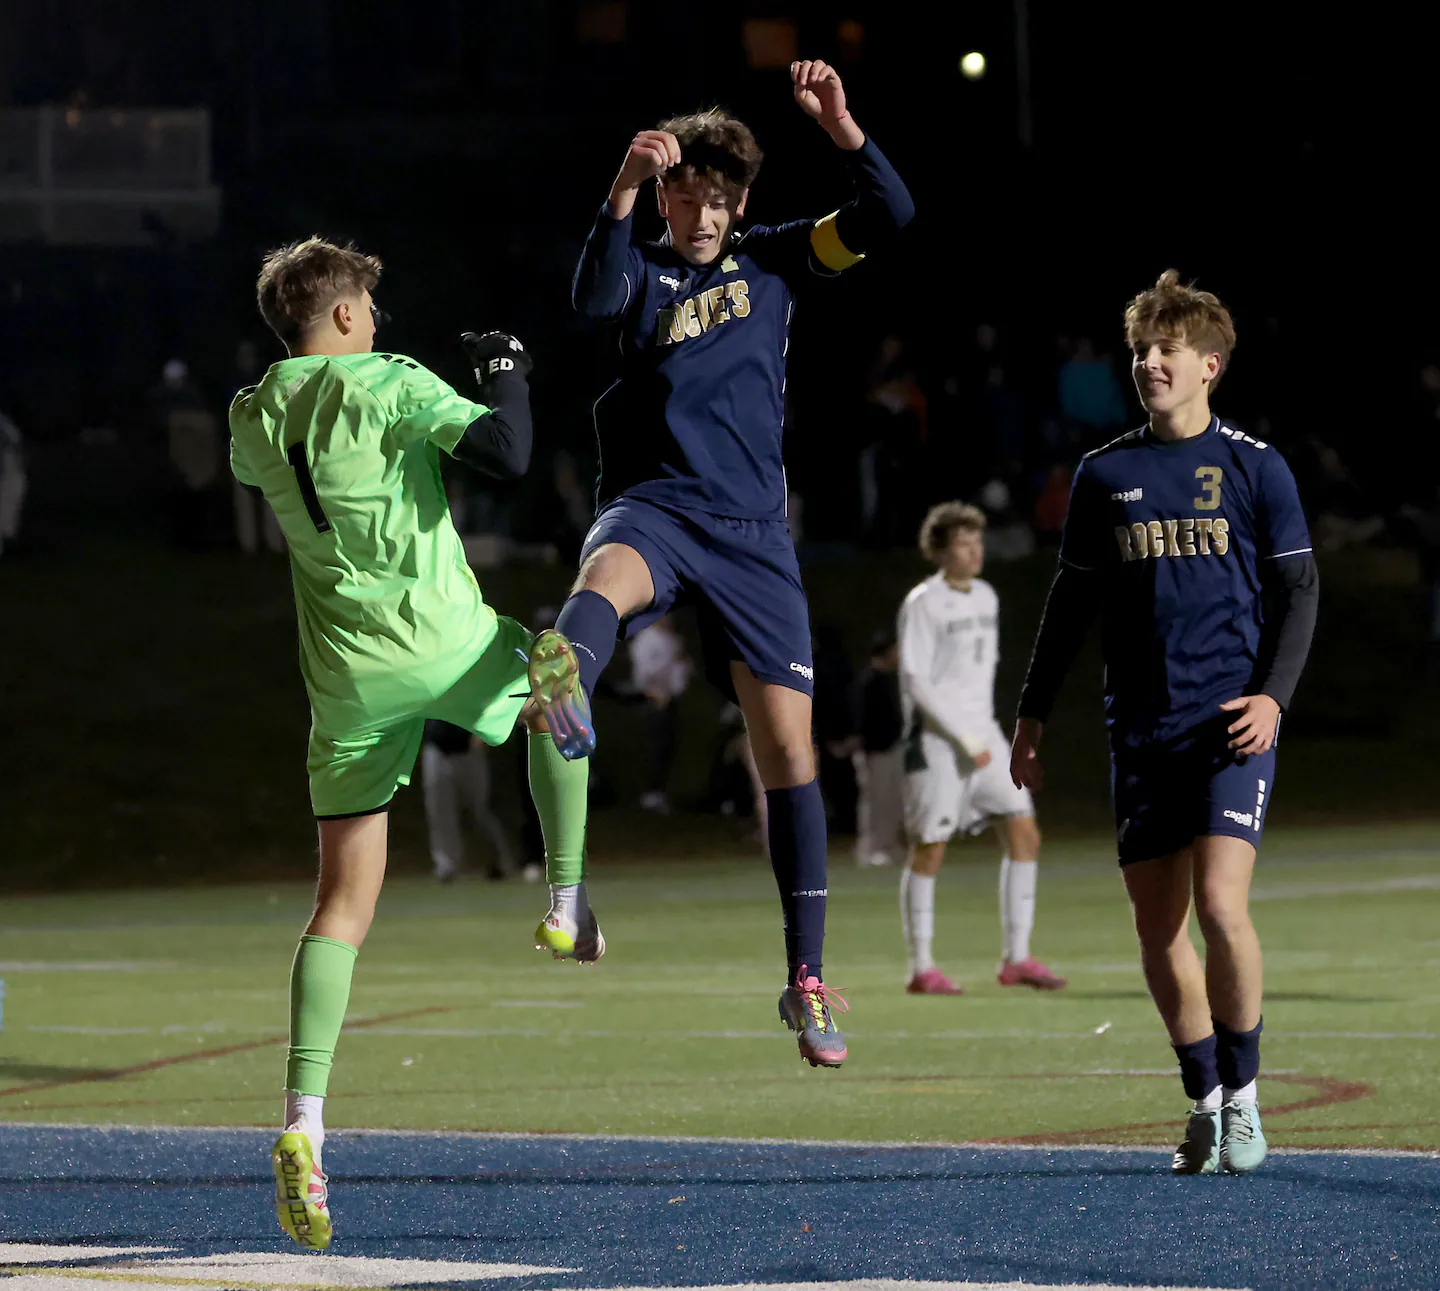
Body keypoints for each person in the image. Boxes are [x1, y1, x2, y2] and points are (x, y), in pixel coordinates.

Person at [526, 60, 914, 1067]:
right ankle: (562, 704)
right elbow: (588, 296)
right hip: (654, 511)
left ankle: (809, 981)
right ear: (666, 195)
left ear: (743, 201)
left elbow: (891, 209)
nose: (707, 214)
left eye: (723, 198)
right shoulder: (640, 271)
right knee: (589, 602)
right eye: (690, 196)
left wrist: (840, 125)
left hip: (751, 536)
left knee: (790, 756)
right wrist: (617, 187)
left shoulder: (778, 262)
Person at [228, 237, 592, 1250]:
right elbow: (508, 455)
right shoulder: (386, 381)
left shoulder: (252, 415)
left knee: (339, 905)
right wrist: (505, 371)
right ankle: (564, 896)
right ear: (343, 314)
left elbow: (282, 452)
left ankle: (302, 1119)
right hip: (440, 639)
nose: (380, 322)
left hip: (344, 682)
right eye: (370, 308)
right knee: (557, 672)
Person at [1011, 270, 1319, 1176]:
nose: (1148, 363)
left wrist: (1273, 698)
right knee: (1158, 932)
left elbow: (1300, 593)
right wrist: (1032, 714)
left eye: (1166, 351)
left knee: (1223, 906)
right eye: (1141, 350)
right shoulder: (1106, 474)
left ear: (1209, 365)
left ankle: (1250, 1102)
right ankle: (1205, 1099)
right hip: (1139, 729)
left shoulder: (1259, 467)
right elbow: (1067, 607)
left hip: (1230, 725)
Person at [897, 502, 1066, 996]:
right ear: (941, 551)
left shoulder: (987, 597)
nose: (976, 552)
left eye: (978, 542)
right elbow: (915, 680)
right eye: (965, 544)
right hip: (938, 741)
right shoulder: (923, 603)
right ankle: (921, 966)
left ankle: (1017, 958)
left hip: (984, 737)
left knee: (1024, 829)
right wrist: (964, 738)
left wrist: (988, 733)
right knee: (930, 846)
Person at [420, 719, 515, 881]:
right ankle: (446, 866)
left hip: (469, 748)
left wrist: (484, 733)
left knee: (480, 810)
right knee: (440, 812)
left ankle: (499, 861)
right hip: (437, 747)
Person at [627, 616, 691, 813]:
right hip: (652, 699)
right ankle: (648, 794)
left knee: (667, 746)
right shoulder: (646, 639)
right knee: (653, 745)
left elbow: (682, 671)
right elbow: (644, 672)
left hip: (669, 700)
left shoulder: (674, 640)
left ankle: (658, 792)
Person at [851, 629, 904, 868]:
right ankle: (870, 849)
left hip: (890, 749)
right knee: (874, 802)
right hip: (875, 752)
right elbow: (862, 720)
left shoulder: (888, 680)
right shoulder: (868, 681)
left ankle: (888, 845)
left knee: (891, 801)